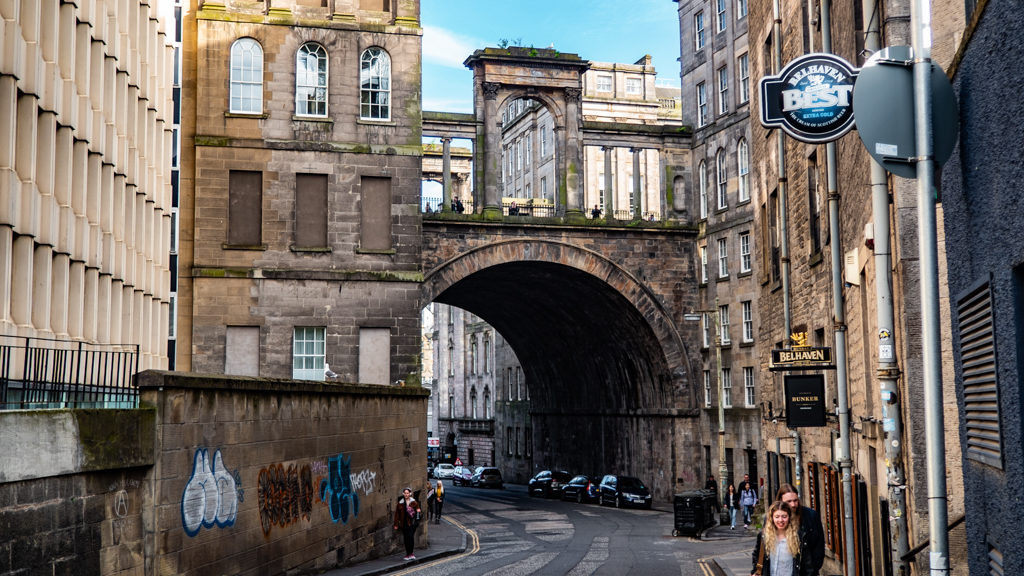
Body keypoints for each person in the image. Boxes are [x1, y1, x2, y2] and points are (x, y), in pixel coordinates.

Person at [749, 501, 815, 576]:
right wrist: (755, 571)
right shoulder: (764, 536)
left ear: (789, 517)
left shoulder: (799, 537)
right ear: (772, 518)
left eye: (784, 516)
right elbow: (756, 555)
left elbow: (807, 565)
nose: (780, 520)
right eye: (777, 517)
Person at [775, 483, 825, 575]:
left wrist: (813, 569)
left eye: (795, 500)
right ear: (780, 501)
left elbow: (819, 545)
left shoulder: (811, 516)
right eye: (789, 501)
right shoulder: (772, 518)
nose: (793, 504)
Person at [392, 487, 421, 561]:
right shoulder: (400, 503)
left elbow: (418, 511)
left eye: (407, 493)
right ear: (403, 494)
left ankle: (411, 553)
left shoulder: (414, 502)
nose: (406, 494)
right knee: (406, 539)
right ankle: (408, 554)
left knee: (411, 538)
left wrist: (418, 511)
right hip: (403, 524)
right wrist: (396, 524)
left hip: (412, 524)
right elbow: (397, 515)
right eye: (405, 493)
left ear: (410, 494)